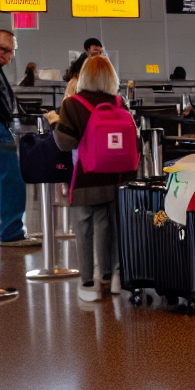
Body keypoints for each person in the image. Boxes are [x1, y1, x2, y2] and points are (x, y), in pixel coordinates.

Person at [52, 56, 136, 301]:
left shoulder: (73, 103)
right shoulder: (121, 102)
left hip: (88, 177)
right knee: (114, 226)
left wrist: (54, 120)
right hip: (119, 177)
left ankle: (88, 283)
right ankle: (115, 277)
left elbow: (65, 143)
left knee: (85, 227)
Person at [0, 29, 39, 247]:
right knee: (11, 180)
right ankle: (12, 232)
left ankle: (9, 228)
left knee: (5, 180)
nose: (6, 55)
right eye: (2, 49)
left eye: (10, 52)